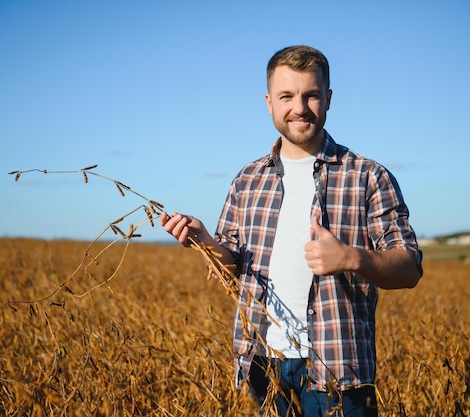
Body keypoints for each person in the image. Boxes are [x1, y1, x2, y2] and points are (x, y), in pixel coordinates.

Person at [161, 45, 423, 417]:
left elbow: (410, 269)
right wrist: (206, 243)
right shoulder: (247, 179)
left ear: (328, 99)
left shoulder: (369, 176)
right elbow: (232, 268)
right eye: (287, 96)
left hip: (341, 372)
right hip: (260, 366)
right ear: (269, 102)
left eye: (311, 95)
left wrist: (351, 257)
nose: (299, 108)